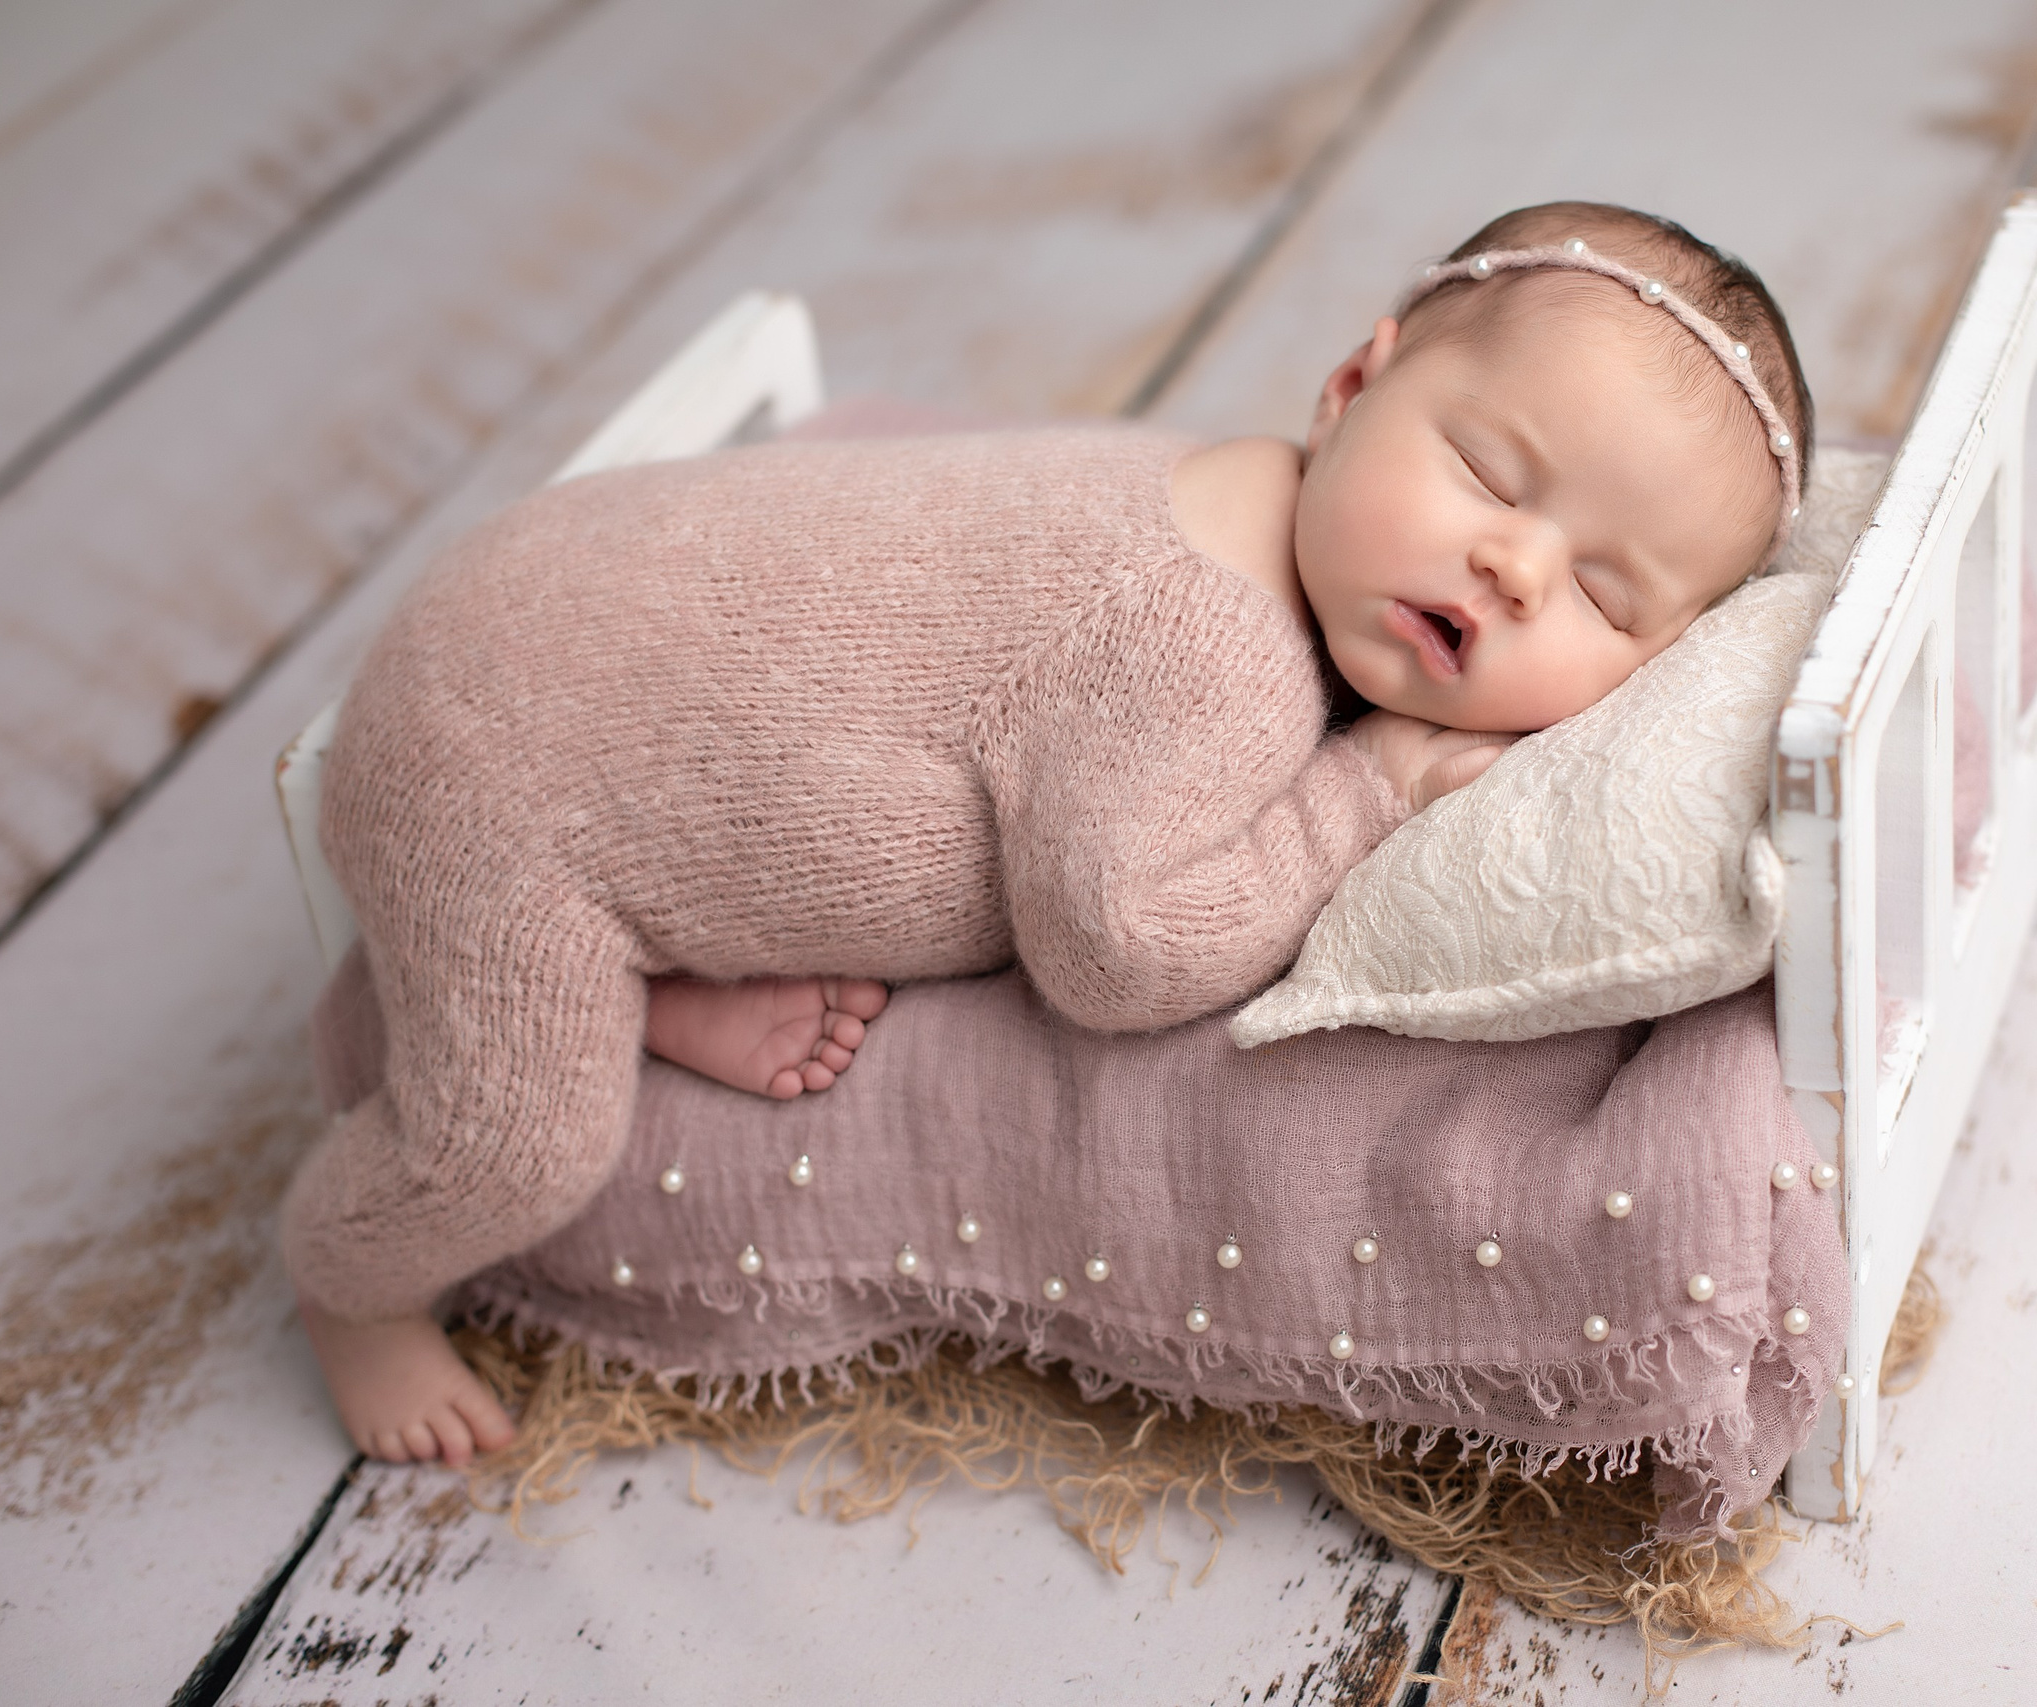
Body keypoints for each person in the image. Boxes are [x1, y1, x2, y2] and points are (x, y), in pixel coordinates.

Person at [284, 200, 1815, 1467]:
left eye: (1608, 597)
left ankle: (663, 976)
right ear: (1353, 388)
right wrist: (1369, 795)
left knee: (741, 785)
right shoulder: (1210, 648)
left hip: (561, 621)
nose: (1517, 566)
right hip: (493, 757)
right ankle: (351, 1278)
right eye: (1489, 473)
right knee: (519, 1141)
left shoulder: (1248, 494)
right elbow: (1119, 953)